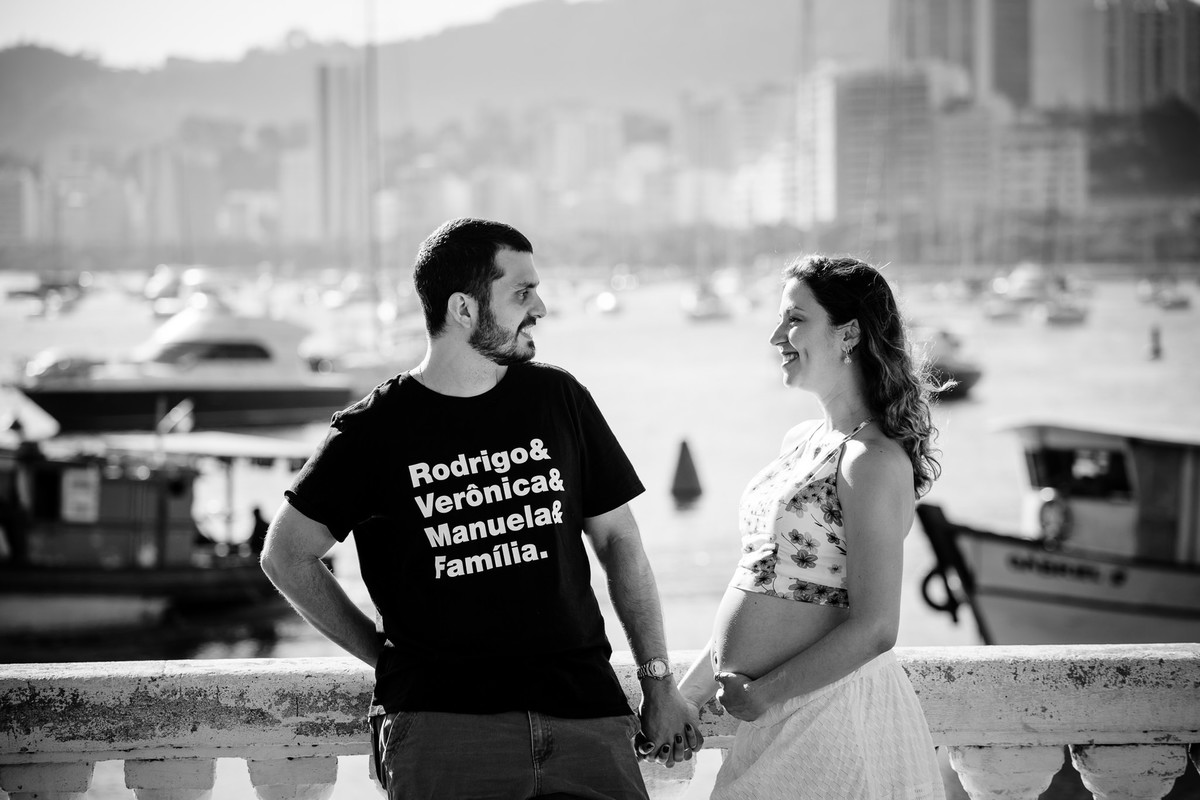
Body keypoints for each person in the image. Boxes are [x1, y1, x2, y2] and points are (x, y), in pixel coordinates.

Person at [261, 218, 700, 799]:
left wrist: (658, 680)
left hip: (586, 715)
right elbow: (286, 556)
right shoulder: (374, 431)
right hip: (445, 729)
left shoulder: (557, 398)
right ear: (464, 310)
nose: (540, 307)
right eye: (522, 293)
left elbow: (621, 541)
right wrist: (387, 658)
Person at [677, 255, 946, 799]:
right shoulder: (802, 441)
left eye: (795, 319)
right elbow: (758, 580)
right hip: (777, 716)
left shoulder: (871, 461)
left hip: (829, 717)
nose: (777, 335)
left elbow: (875, 628)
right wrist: (686, 696)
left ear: (847, 334)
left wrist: (765, 694)